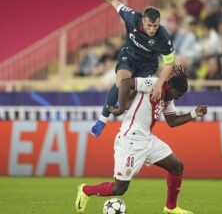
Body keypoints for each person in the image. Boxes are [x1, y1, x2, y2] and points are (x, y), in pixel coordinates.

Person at [75, 65, 208, 214]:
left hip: (147, 139)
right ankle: (86, 190)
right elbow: (126, 83)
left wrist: (194, 114)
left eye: (179, 96)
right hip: (130, 139)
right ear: (169, 85)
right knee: (119, 189)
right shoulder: (153, 83)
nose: (176, 98)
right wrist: (121, 108)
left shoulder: (168, 98)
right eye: (176, 94)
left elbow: (172, 121)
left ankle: (171, 207)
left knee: (177, 166)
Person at [79, 0, 176, 137]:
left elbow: (169, 64)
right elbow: (111, 0)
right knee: (121, 80)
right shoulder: (131, 17)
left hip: (147, 65)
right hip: (129, 57)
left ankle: (130, 122)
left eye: (155, 26)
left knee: (132, 95)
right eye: (149, 25)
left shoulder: (163, 37)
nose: (152, 29)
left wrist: (160, 84)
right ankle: (102, 120)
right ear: (143, 21)